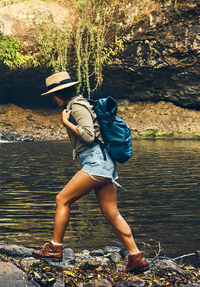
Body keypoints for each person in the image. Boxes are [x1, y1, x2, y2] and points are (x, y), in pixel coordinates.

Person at [32, 71, 149, 274]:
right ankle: (135, 257)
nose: (52, 98)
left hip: (97, 163)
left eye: (53, 94)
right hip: (103, 163)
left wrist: (66, 123)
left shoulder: (76, 106)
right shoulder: (80, 103)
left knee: (62, 199)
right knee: (111, 213)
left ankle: (55, 248)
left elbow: (88, 135)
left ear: (61, 92)